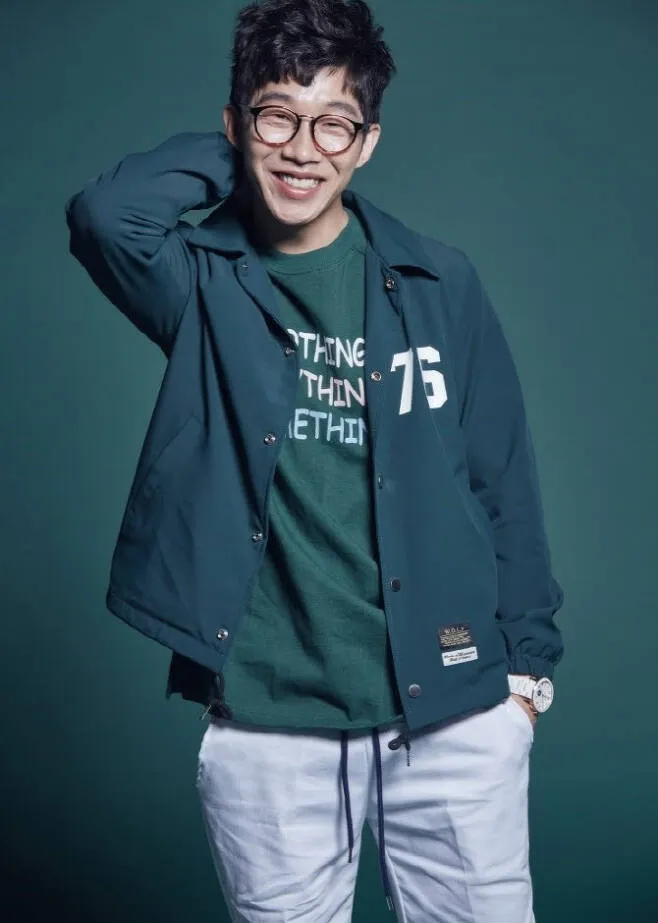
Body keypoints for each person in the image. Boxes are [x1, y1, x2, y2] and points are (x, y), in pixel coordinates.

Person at [65, 0, 565, 919]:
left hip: (452, 707)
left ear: (368, 141)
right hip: (268, 718)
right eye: (277, 117)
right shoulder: (202, 282)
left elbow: (502, 480)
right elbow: (105, 215)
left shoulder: (440, 283)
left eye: (333, 124)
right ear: (235, 122)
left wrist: (525, 677)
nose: (304, 149)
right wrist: (249, 152)